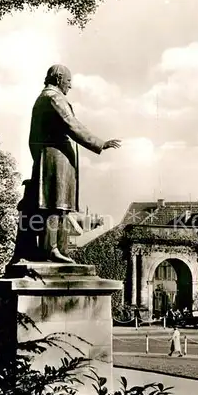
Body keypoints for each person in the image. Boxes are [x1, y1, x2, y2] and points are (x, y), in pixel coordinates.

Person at [16, 64, 121, 263]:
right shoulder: (53, 97)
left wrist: (39, 158)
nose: (70, 86)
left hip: (53, 158)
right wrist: (100, 143)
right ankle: (51, 249)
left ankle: (60, 250)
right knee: (54, 205)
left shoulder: (45, 98)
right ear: (58, 78)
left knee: (61, 207)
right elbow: (72, 124)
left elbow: (33, 138)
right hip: (55, 159)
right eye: (69, 81)